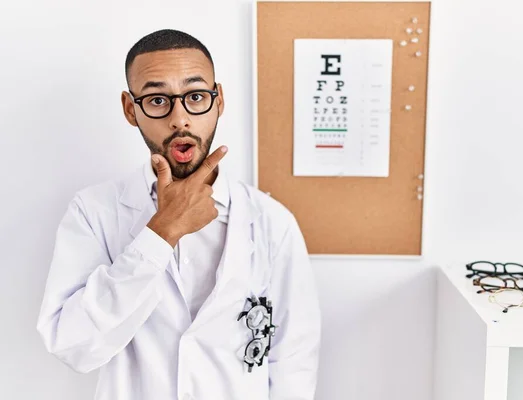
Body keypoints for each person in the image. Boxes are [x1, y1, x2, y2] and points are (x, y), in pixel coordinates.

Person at [36, 29, 321, 400]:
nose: (179, 119)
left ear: (219, 101)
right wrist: (161, 233)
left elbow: (293, 360)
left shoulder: (271, 220)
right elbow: (74, 345)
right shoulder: (94, 212)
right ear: (129, 108)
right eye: (157, 100)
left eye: (196, 96)